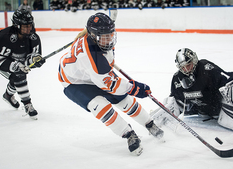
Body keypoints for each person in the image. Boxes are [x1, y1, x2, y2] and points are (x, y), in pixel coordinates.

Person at [58, 13, 164, 155]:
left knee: (123, 99)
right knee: (100, 105)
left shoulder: (98, 40)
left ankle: (149, 124)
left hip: (91, 73)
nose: (109, 39)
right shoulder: (90, 56)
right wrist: (135, 88)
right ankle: (128, 134)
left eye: (110, 34)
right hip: (74, 81)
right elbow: (111, 85)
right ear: (94, 36)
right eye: (104, 36)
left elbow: (106, 71)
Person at [151, 48, 233, 136]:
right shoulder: (177, 78)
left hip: (217, 104)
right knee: (171, 101)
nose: (186, 69)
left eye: (188, 65)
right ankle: (155, 122)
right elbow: (176, 98)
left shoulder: (205, 68)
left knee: (232, 94)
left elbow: (226, 78)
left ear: (194, 61)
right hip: (198, 108)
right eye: (182, 67)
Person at [0, 9, 45, 120]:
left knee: (17, 75)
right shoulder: (5, 36)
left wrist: (35, 60)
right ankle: (27, 103)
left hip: (17, 61)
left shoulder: (34, 38)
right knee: (18, 74)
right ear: (17, 26)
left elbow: (30, 58)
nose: (28, 29)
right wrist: (14, 66)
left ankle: (8, 95)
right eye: (25, 26)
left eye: (30, 25)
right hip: (0, 61)